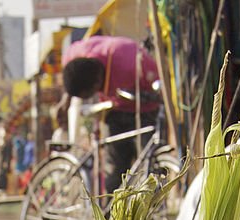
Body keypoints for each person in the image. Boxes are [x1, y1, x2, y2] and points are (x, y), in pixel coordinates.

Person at [56, 35, 161, 194]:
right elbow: (73, 73)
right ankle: (111, 209)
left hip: (143, 106)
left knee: (148, 161)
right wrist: (66, 99)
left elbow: (158, 88)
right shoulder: (75, 54)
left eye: (89, 94)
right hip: (115, 109)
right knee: (117, 169)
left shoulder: (131, 64)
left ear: (98, 83)